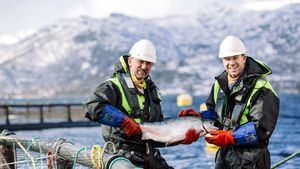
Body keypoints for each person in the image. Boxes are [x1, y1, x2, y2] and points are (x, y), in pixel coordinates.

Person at [178, 35, 279, 169]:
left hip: (252, 160)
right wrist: (198, 118)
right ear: (222, 61)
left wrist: (230, 136)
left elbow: (262, 129)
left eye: (235, 57)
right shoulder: (219, 84)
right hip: (224, 157)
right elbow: (214, 113)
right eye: (227, 59)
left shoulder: (261, 87)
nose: (231, 63)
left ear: (244, 58)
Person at [85, 39, 173, 169]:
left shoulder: (152, 92)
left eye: (148, 63)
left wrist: (181, 137)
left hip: (150, 156)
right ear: (130, 61)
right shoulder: (112, 86)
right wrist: (123, 121)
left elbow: (156, 134)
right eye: (140, 61)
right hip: (121, 156)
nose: (144, 66)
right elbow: (92, 108)